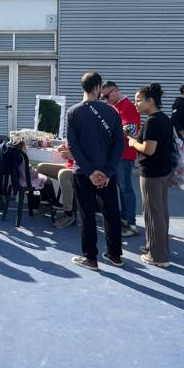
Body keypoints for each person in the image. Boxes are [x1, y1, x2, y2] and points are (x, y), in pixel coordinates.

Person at [65, 71, 125, 270]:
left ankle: (91, 258)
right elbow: (119, 144)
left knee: (87, 215)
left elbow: (73, 146)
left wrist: (90, 171)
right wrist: (107, 172)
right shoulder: (113, 112)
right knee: (111, 213)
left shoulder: (73, 112)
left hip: (83, 173)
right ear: (99, 87)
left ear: (83, 87)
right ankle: (115, 255)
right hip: (107, 173)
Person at [128, 83, 175, 268]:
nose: (136, 104)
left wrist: (133, 143)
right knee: (161, 211)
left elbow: (149, 149)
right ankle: (157, 247)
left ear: (151, 101)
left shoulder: (152, 121)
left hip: (152, 173)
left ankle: (158, 256)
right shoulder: (164, 118)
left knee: (153, 213)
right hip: (163, 171)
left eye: (139, 100)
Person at [101, 81, 141, 237]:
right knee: (122, 188)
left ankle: (130, 223)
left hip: (123, 154)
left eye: (107, 95)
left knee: (125, 189)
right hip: (118, 154)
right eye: (103, 96)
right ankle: (125, 218)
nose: (105, 99)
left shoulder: (126, 106)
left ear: (115, 91)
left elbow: (131, 129)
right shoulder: (117, 106)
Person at [35, 142, 76, 228]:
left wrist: (71, 155)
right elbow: (69, 150)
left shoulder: (88, 135)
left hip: (83, 170)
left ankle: (69, 214)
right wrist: (63, 149)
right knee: (40, 167)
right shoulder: (73, 133)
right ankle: (49, 203)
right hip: (70, 166)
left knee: (63, 174)